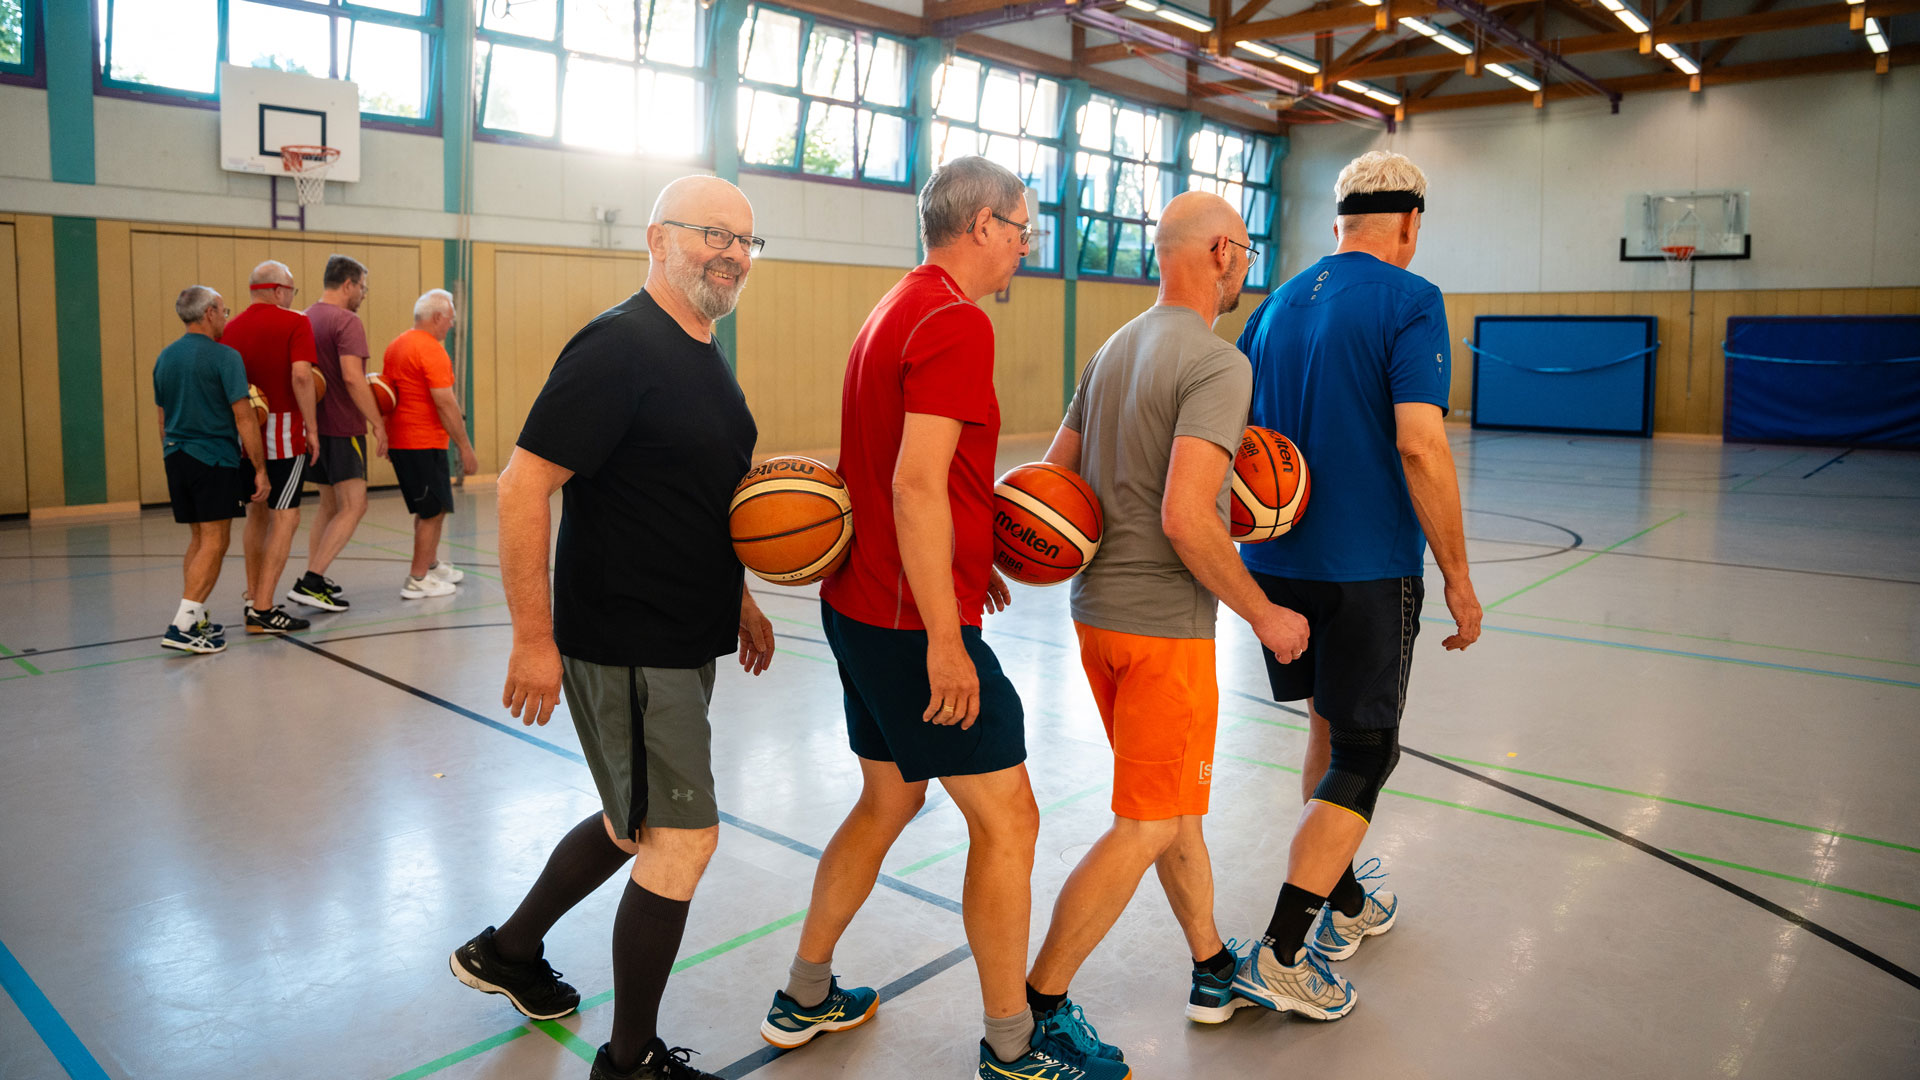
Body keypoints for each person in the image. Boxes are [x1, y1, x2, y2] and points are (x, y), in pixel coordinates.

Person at [758, 157, 1124, 1080]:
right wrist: (947, 637)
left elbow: (912, 476)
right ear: (982, 226)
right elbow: (915, 482)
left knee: (889, 797)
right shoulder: (958, 322)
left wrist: (967, 568)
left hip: (863, 605)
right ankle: (1011, 1045)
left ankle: (803, 994)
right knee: (1011, 823)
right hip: (909, 630)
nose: (1027, 246)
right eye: (1023, 228)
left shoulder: (897, 307)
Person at [451, 175, 774, 1080]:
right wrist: (531, 637)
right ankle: (628, 1062)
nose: (733, 254)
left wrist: (738, 596)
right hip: (629, 641)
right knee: (682, 839)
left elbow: (694, 496)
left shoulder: (702, 348)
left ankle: (509, 950)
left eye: (748, 241)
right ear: (657, 238)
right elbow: (523, 485)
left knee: (632, 824)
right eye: (714, 233)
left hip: (681, 634)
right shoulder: (618, 346)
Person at [1024, 192, 1311, 1035]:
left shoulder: (1111, 350)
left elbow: (1052, 484)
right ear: (1221, 251)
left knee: (1171, 807)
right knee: (1147, 822)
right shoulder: (1219, 363)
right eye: (1247, 251)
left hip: (1096, 621)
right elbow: (1190, 515)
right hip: (1164, 635)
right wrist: (1265, 614)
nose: (1246, 267)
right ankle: (1037, 1005)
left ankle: (1211, 964)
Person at [1228, 149, 1482, 1020]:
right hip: (1367, 566)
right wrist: (1457, 572)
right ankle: (1284, 950)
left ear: (1337, 222)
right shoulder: (1412, 300)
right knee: (1367, 753)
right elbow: (1419, 442)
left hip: (1275, 564)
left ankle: (1341, 902)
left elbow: (1237, 436)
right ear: (1410, 223)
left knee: (1328, 729)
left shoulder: (1274, 306)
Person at [152, 285, 269, 653]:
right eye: (223, 310)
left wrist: (172, 451)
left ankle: (195, 615)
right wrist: (260, 468)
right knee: (216, 540)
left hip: (176, 455)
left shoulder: (165, 357)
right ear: (208, 313)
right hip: (214, 458)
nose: (225, 317)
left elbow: (162, 417)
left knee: (200, 539)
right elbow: (244, 417)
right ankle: (182, 626)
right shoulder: (225, 357)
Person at [224, 260, 318, 634]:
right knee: (287, 517)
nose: (293, 297)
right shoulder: (296, 322)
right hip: (283, 433)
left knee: (256, 515)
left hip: (245, 438)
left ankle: (253, 598)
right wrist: (312, 427)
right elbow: (301, 375)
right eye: (292, 290)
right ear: (279, 290)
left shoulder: (229, 329)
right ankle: (264, 609)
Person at [288, 254, 384, 612]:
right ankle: (312, 579)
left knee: (329, 507)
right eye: (363, 286)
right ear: (348, 284)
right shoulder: (347, 320)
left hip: (314, 429)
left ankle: (316, 578)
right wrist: (378, 422)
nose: (363, 294)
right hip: (344, 428)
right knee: (355, 505)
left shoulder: (304, 318)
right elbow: (352, 377)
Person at [381, 289, 479, 598]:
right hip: (421, 442)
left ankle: (431, 564)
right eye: (450, 319)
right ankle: (418, 578)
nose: (451, 326)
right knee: (432, 512)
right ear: (437, 317)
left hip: (406, 442)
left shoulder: (397, 345)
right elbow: (445, 403)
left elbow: (387, 396)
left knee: (428, 509)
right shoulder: (432, 350)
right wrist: (465, 446)